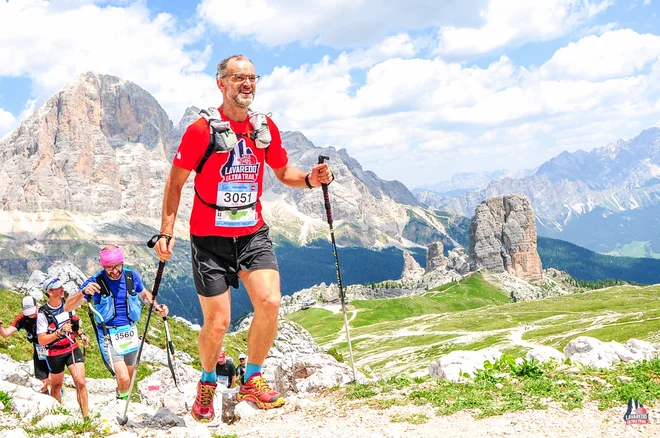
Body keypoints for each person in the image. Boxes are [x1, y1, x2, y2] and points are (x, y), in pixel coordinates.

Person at [152, 54, 335, 422]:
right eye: (238, 78)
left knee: (270, 300)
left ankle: (252, 377)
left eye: (252, 77)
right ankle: (206, 381)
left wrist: (311, 179)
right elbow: (175, 183)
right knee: (217, 324)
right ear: (221, 84)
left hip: (252, 233)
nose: (247, 84)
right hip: (209, 240)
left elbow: (283, 171)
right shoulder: (201, 131)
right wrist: (166, 232)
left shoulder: (264, 128)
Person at [66, 245, 168, 400]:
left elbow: (145, 296)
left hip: (129, 333)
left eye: (117, 266)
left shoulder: (131, 277)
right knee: (124, 377)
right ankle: (122, 405)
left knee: (129, 376)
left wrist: (157, 307)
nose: (114, 271)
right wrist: (83, 292)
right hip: (109, 336)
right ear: (103, 266)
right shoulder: (95, 281)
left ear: (122, 262)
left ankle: (121, 396)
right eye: (109, 268)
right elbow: (68, 306)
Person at [36, 277, 89, 417]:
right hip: (54, 353)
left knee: (81, 382)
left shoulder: (67, 304)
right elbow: (42, 340)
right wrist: (59, 333)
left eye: (62, 287)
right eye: (59, 288)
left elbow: (74, 325)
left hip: (72, 348)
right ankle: (56, 416)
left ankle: (86, 417)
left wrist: (81, 334)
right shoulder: (43, 313)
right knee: (57, 386)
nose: (62, 289)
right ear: (49, 292)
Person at [0, 296, 50, 394]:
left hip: (53, 347)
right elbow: (6, 334)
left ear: (36, 306)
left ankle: (58, 396)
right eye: (28, 312)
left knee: (54, 377)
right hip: (39, 349)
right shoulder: (22, 319)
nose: (30, 315)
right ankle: (48, 399)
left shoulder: (46, 313)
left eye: (32, 311)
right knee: (42, 380)